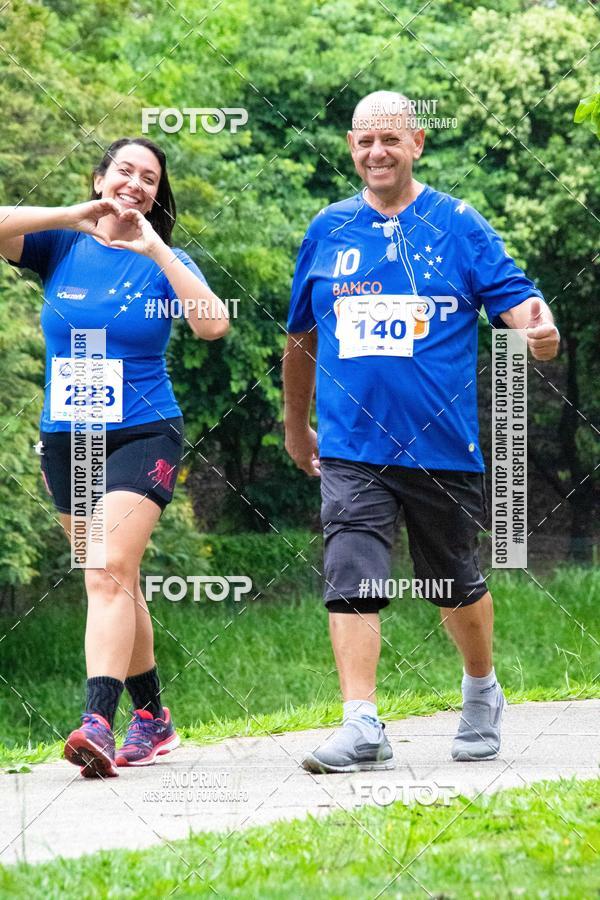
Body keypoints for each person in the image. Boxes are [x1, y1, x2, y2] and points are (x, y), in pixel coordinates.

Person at [283, 92, 560, 774]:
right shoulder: (329, 229)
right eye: (363, 141)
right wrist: (296, 426)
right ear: (351, 148)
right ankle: (361, 723)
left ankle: (480, 692)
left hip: (441, 445)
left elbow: (518, 298)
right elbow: (301, 338)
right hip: (351, 446)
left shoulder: (458, 224)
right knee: (351, 568)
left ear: (416, 144)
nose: (376, 152)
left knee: (451, 582)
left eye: (390, 140)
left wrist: (540, 328)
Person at [0, 137, 229, 777]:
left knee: (105, 572)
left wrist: (155, 246)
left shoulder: (165, 258)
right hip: (69, 439)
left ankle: (97, 721)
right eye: (123, 170)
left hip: (143, 433)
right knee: (115, 580)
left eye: (149, 178)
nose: (135, 183)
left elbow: (213, 323)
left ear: (157, 194)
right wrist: (73, 213)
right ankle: (153, 720)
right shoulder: (60, 246)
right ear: (100, 177)